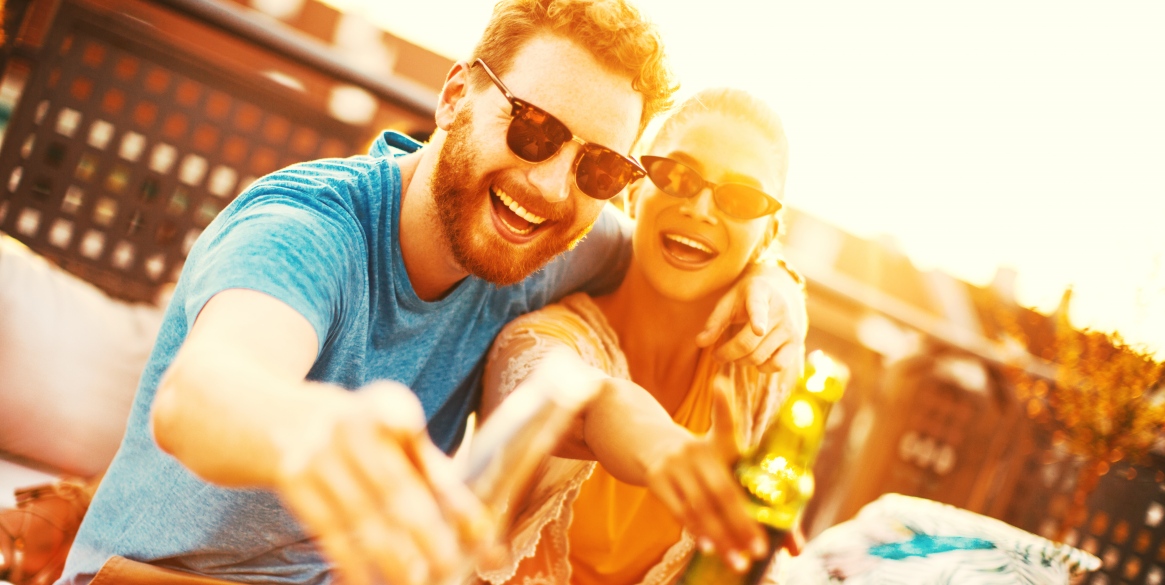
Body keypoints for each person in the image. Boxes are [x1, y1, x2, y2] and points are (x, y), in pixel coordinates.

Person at [58, 2, 807, 584]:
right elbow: (204, 396)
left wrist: (776, 284)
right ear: (454, 94)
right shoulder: (309, 226)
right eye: (534, 129)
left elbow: (681, 254)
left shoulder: (551, 241)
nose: (550, 187)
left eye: (599, 171)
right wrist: (315, 433)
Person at [477, 87, 803, 585]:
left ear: (768, 234)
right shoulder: (547, 337)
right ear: (633, 190)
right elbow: (571, 393)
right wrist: (661, 450)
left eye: (741, 198)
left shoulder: (762, 371)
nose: (700, 208)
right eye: (676, 176)